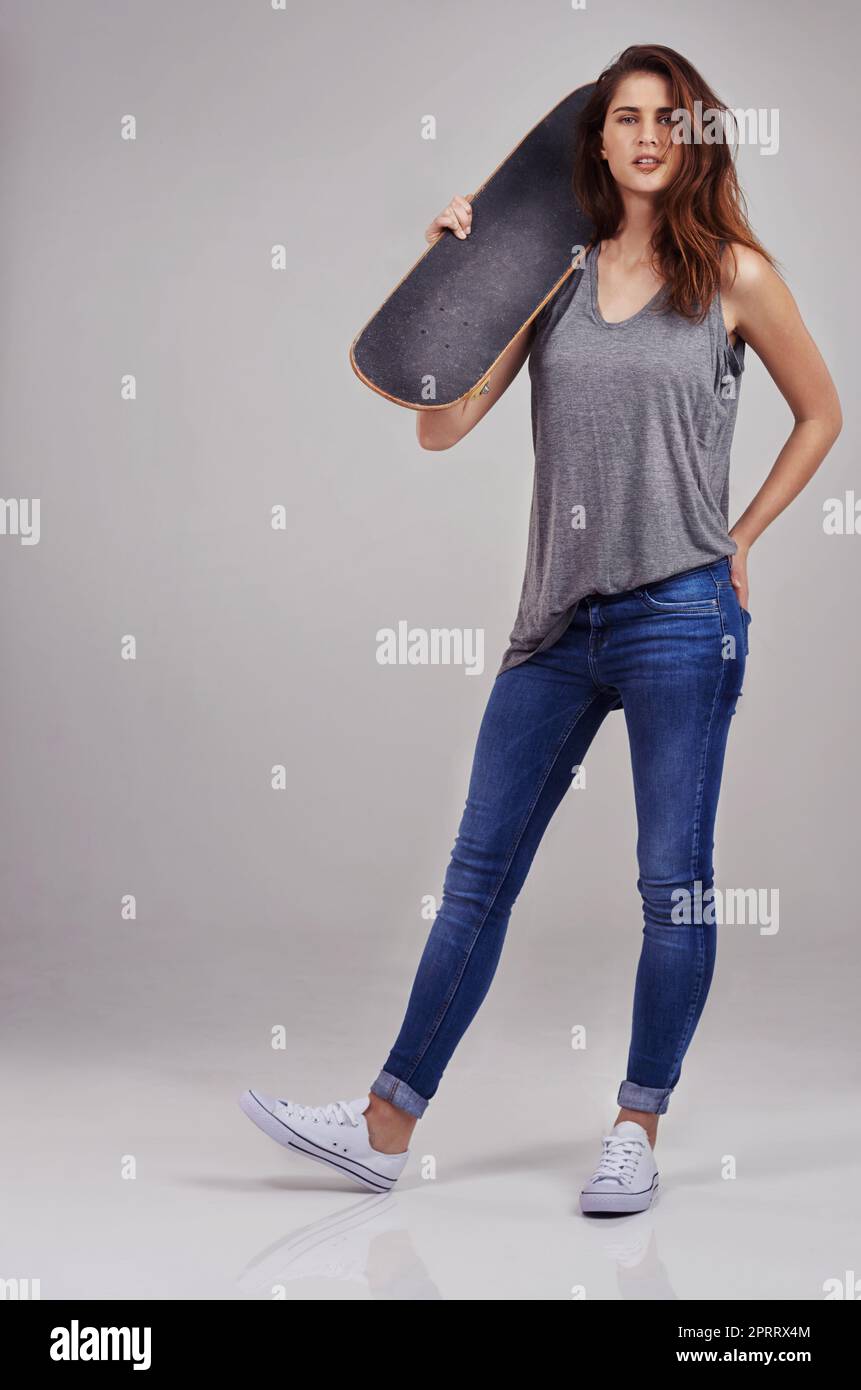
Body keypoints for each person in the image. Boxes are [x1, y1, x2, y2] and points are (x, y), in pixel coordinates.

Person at [240, 44, 842, 1213]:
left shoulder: (735, 276)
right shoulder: (550, 276)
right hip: (556, 622)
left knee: (674, 883)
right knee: (476, 879)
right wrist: (450, 283)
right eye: (627, 119)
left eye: (668, 119)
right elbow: (439, 428)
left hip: (681, 614)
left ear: (694, 141)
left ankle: (636, 1128)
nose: (647, 137)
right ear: (599, 141)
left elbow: (823, 412)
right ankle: (383, 1127)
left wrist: (743, 537)